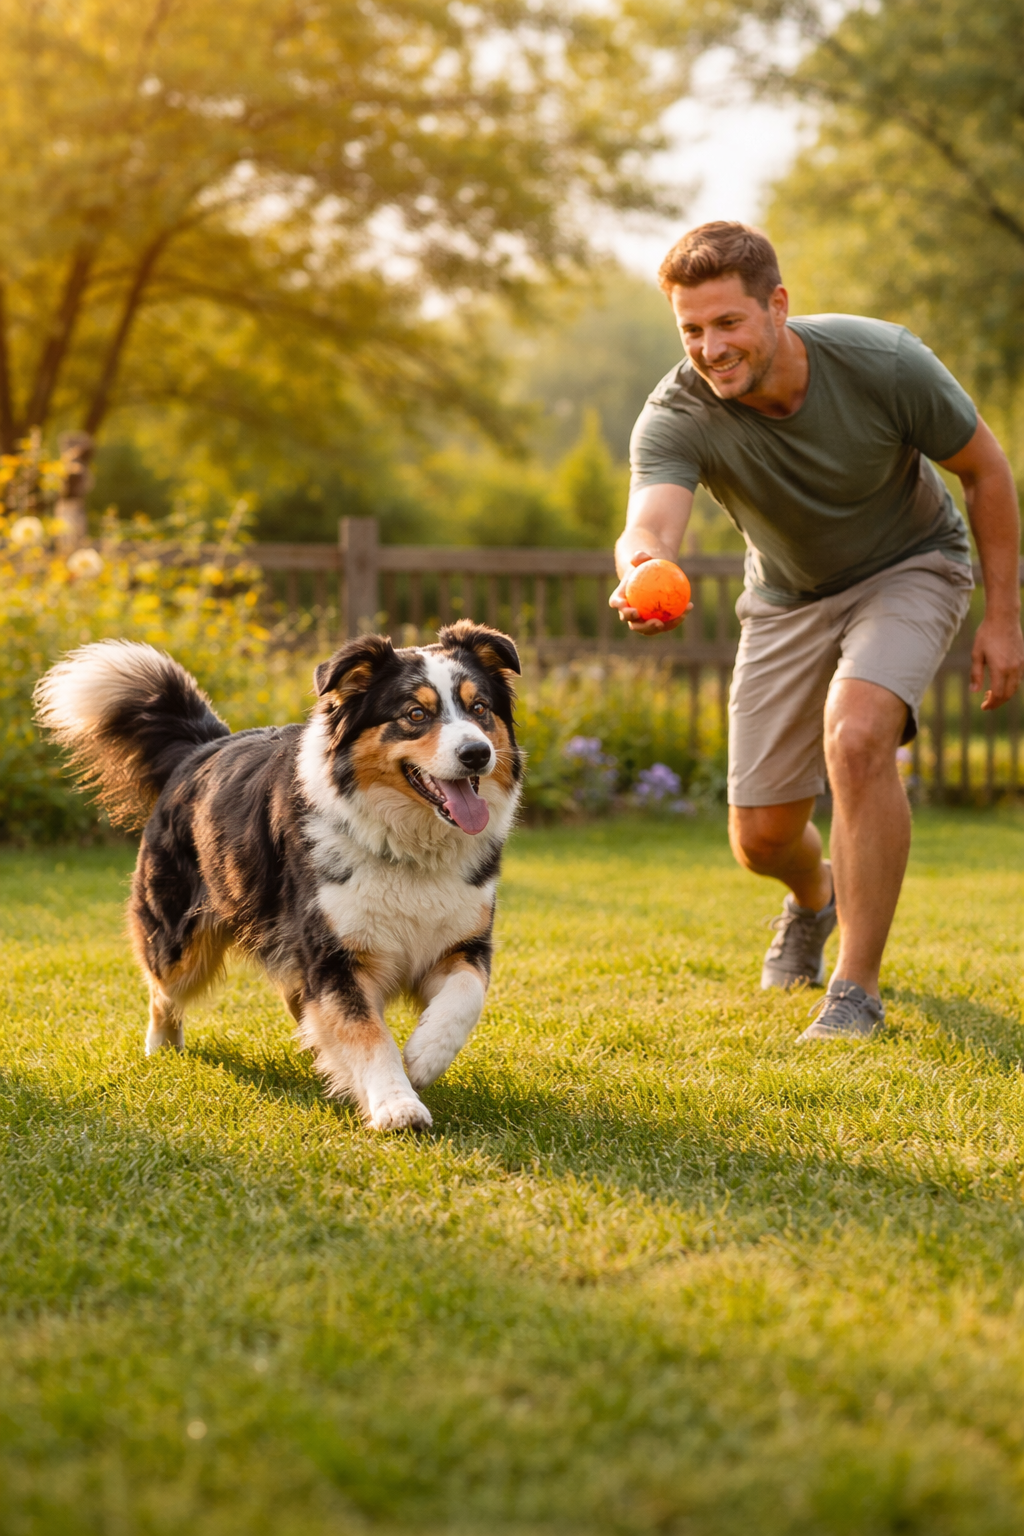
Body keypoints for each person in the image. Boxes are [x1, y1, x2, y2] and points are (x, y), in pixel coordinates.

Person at [610, 221, 1024, 1041]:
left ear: (777, 307)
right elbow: (648, 525)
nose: (711, 348)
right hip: (788, 597)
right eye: (691, 329)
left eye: (728, 323)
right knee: (762, 838)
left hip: (911, 563)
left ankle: (855, 989)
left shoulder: (883, 362)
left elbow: (985, 469)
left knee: (858, 734)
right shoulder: (677, 411)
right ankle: (815, 897)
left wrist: (1005, 618)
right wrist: (642, 567)